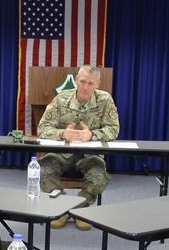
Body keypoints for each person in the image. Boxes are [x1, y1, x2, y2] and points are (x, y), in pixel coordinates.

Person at [36, 65, 119, 229]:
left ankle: (79, 209)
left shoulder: (105, 100)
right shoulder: (61, 100)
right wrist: (62, 134)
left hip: (90, 155)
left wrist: (92, 135)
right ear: (76, 80)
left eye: (90, 83)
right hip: (61, 154)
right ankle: (62, 208)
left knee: (98, 175)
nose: (85, 87)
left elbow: (113, 129)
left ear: (98, 84)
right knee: (42, 169)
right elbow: (42, 128)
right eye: (82, 81)